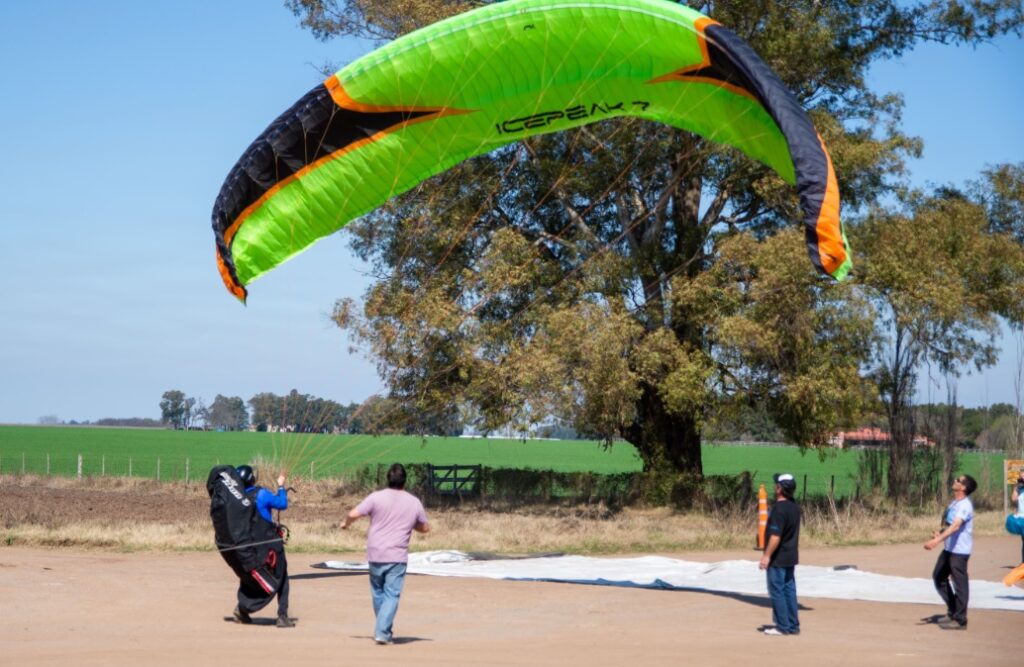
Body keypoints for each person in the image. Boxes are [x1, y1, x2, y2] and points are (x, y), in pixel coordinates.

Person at [342, 463, 430, 645]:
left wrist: (346, 523)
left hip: (375, 553)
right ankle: (382, 632)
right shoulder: (413, 502)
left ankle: (384, 630)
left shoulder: (376, 498)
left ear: (388, 480)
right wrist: (410, 523)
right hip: (396, 556)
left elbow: (353, 513)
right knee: (392, 594)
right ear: (405, 482)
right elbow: (425, 528)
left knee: (378, 593)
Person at [233, 464, 294, 628]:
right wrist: (281, 486)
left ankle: (242, 610)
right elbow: (282, 503)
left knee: (251, 578)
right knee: (282, 578)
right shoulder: (261, 494)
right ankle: (282, 616)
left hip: (250, 547)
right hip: (270, 546)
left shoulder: (238, 499)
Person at [924, 473, 977, 630]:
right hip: (949, 548)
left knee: (960, 584)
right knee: (938, 576)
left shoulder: (965, 505)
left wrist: (936, 541)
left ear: (964, 487)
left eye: (958, 480)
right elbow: (949, 524)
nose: (954, 481)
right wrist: (940, 534)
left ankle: (961, 620)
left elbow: (956, 526)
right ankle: (953, 610)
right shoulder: (955, 503)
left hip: (959, 551)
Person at [759, 472, 801, 636]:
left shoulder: (779, 510)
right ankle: (792, 624)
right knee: (789, 590)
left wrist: (766, 556)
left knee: (777, 590)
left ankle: (782, 626)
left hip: (778, 557)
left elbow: (775, 537)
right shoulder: (794, 507)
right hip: (791, 555)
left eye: (776, 484)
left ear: (779, 489)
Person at [1011, 470, 1024, 563]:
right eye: (1021, 476)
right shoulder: (1019, 488)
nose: (1022, 478)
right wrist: (1016, 488)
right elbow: (1014, 499)